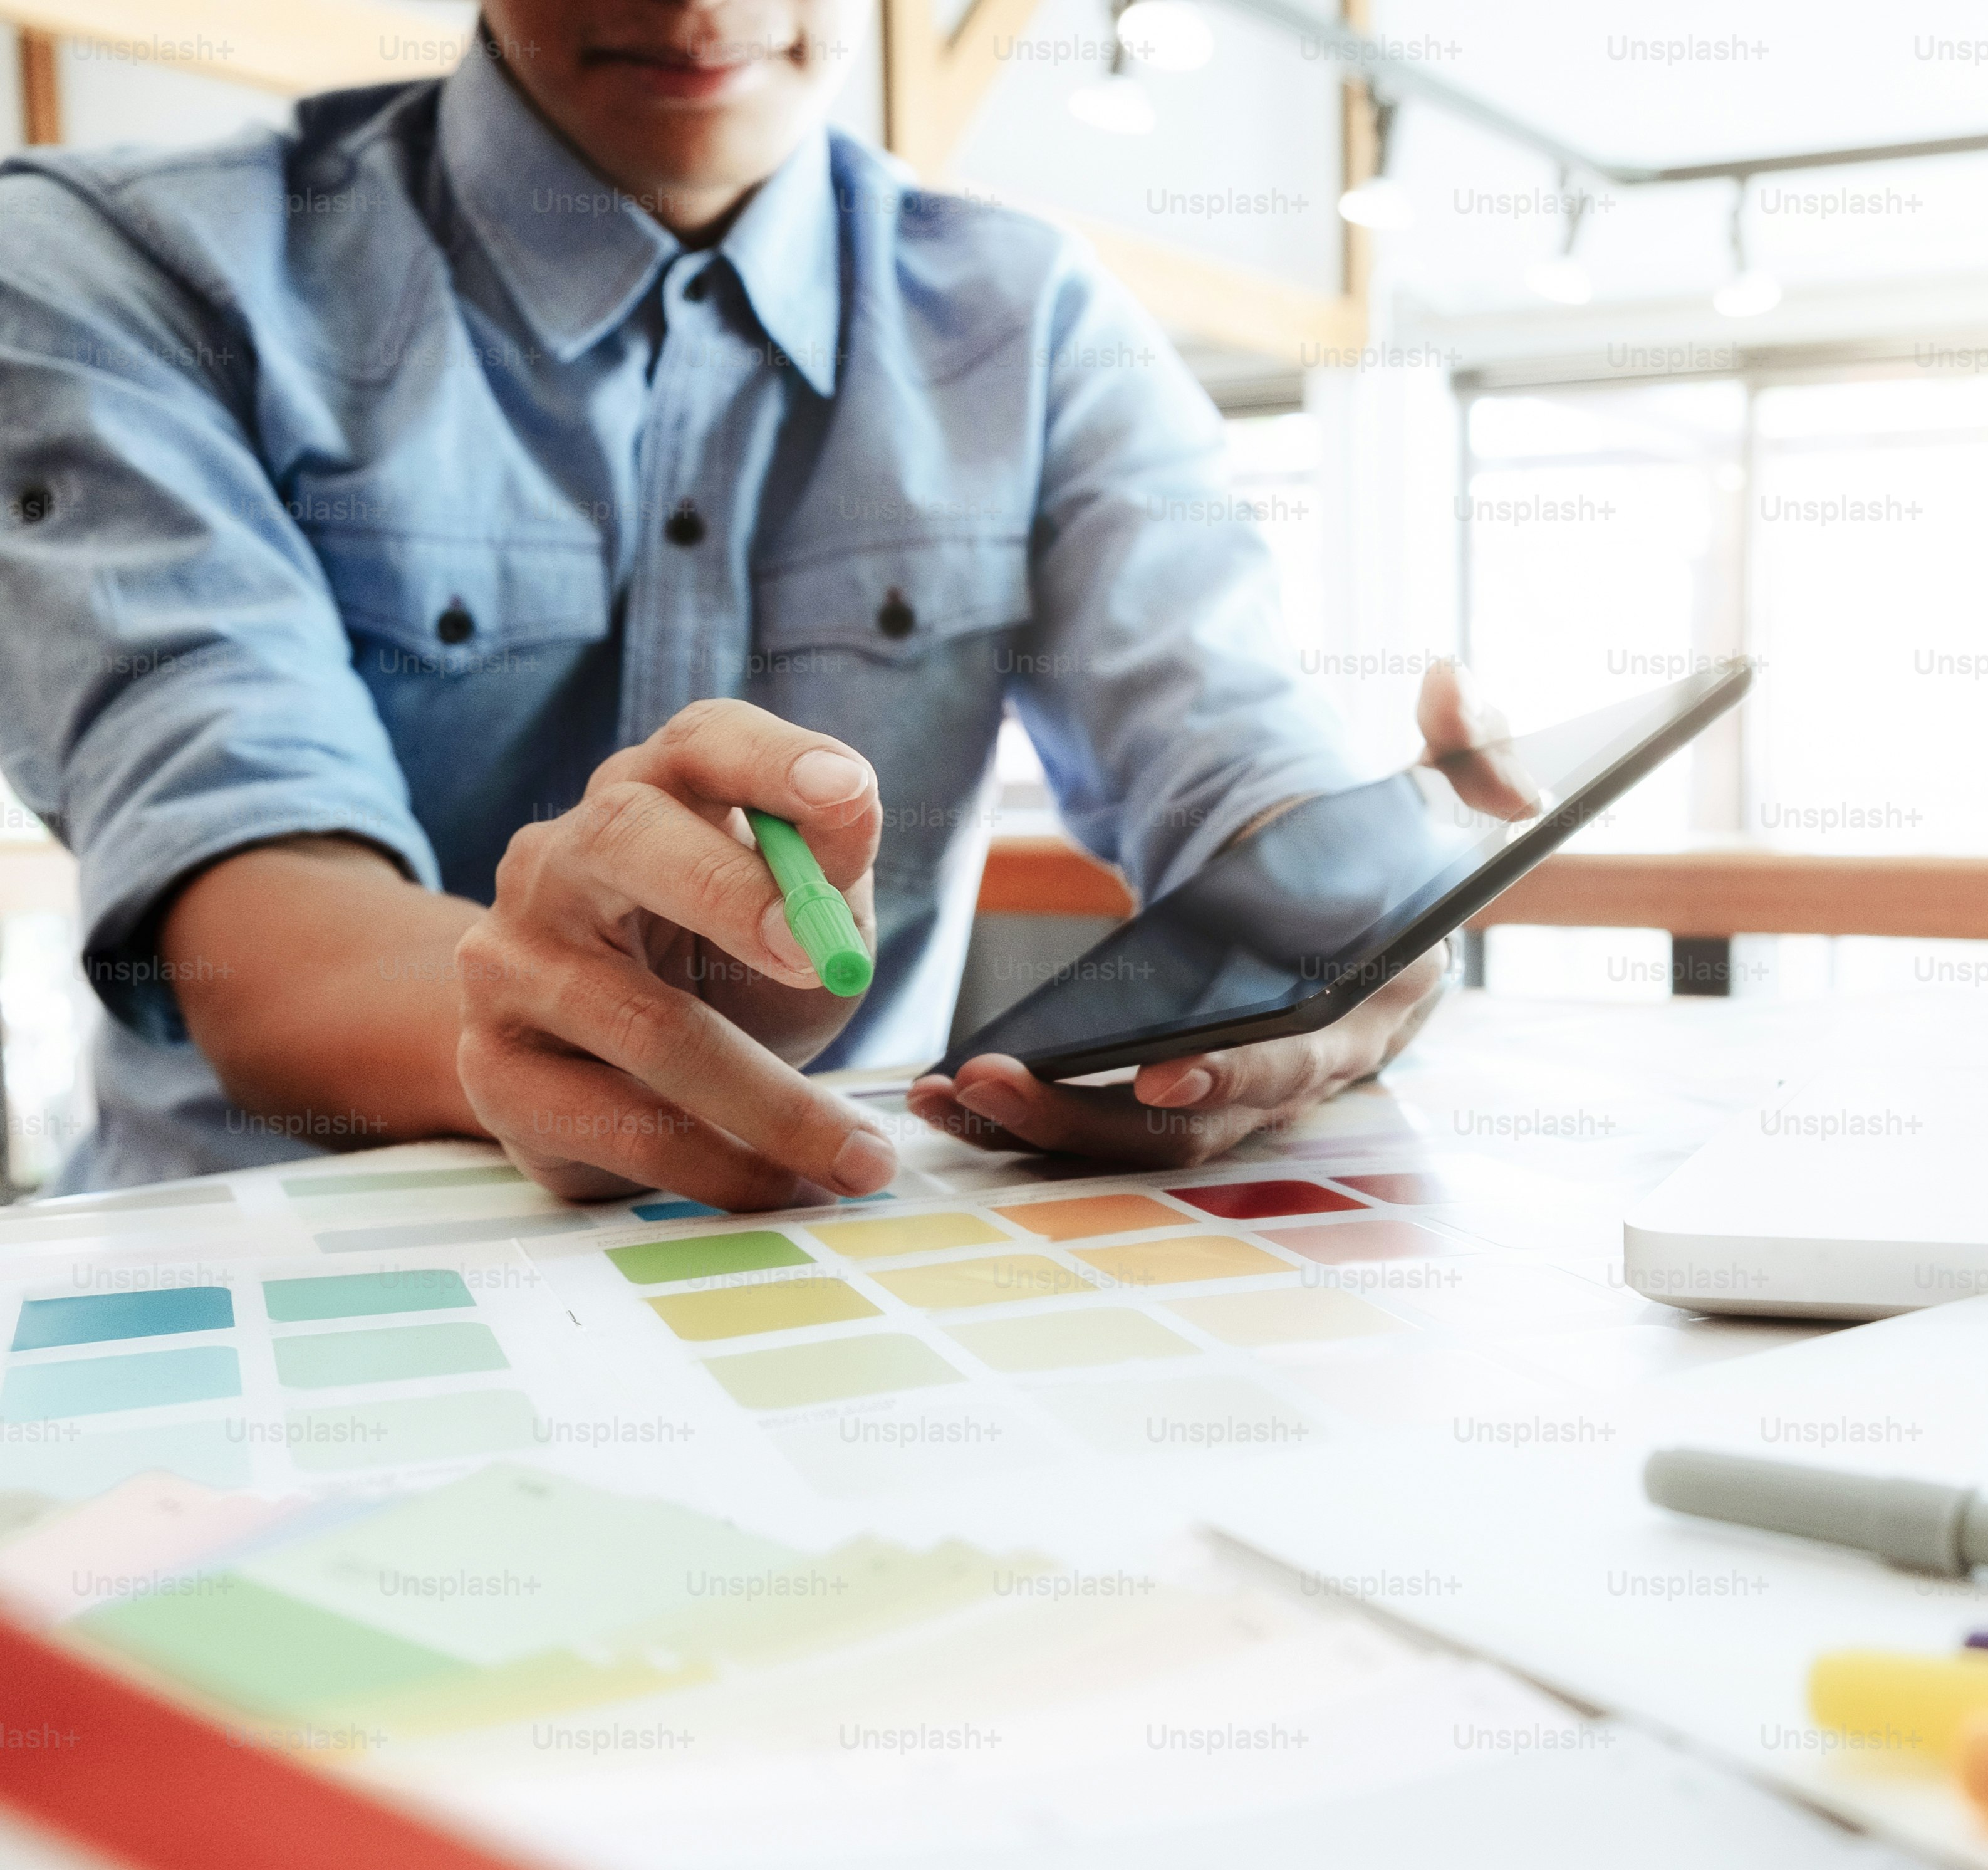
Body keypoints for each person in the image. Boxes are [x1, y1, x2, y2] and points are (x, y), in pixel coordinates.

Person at [0, 0, 1527, 1211]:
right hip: (268, 1293)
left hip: (819, 1267)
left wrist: (1344, 909)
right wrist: (532, 1016)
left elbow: (1230, 742)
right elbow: (243, 913)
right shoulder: (119, 268)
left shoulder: (1035, 324)